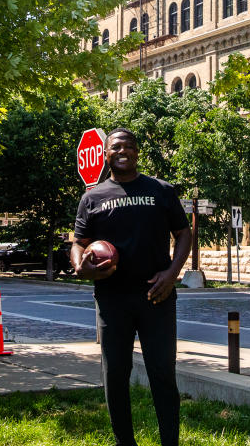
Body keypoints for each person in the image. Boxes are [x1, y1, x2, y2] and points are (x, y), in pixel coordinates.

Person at [72, 127, 191, 446]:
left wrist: (171, 273)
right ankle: (125, 442)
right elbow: (78, 242)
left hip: (157, 296)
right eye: (115, 147)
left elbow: (183, 233)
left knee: (163, 375)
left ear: (137, 152)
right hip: (112, 299)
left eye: (129, 146)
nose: (122, 151)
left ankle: (170, 442)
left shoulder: (161, 190)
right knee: (114, 375)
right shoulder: (92, 197)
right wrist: (80, 266)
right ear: (105, 154)